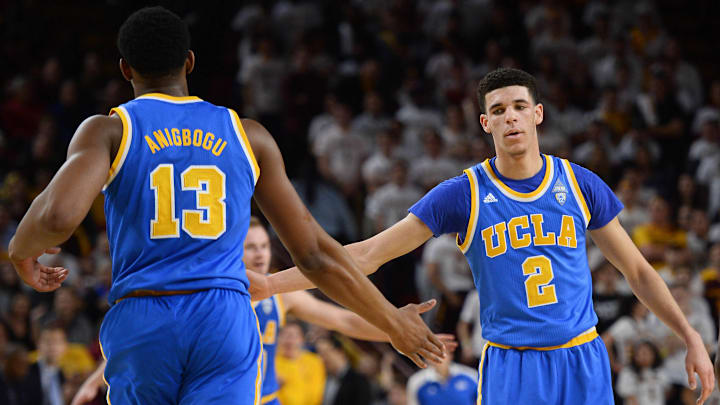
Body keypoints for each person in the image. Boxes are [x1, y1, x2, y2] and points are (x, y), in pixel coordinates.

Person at [7, 7, 444, 405]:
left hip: (144, 315)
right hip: (222, 316)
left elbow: (58, 217)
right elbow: (314, 253)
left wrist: (20, 251)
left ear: (125, 69)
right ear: (190, 63)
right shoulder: (246, 135)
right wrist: (392, 321)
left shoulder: (109, 130)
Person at [252, 67, 716, 404]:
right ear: (485, 123)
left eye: (518, 107)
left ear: (537, 114)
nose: (509, 117)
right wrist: (272, 284)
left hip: (582, 357)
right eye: (498, 110)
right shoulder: (462, 194)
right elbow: (369, 253)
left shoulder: (579, 183)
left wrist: (690, 336)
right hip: (512, 365)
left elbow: (636, 270)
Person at [71, 216, 452, 404]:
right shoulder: (210, 290)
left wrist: (397, 328)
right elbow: (156, 339)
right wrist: (100, 375)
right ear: (235, 251)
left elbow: (342, 319)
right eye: (250, 247)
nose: (258, 253)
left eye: (263, 247)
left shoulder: (279, 293)